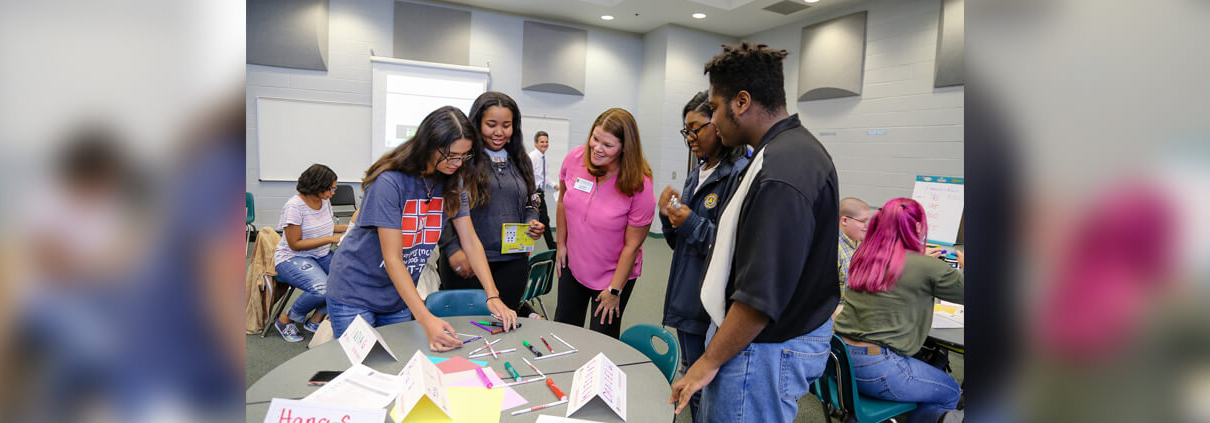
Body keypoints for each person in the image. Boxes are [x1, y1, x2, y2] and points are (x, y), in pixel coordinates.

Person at [669, 42, 840, 422]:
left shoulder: (783, 168)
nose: (711, 121)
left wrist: (708, 360)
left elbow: (761, 294)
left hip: (763, 348)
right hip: (753, 343)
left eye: (714, 108)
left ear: (741, 102)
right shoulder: (777, 151)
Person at [325, 106, 518, 351]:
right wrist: (426, 319)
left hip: (398, 295)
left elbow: (470, 240)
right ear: (428, 146)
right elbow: (393, 258)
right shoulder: (390, 182)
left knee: (401, 362)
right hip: (354, 291)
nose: (457, 163)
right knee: (363, 369)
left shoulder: (452, 182)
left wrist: (492, 294)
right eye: (451, 155)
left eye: (464, 156)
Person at [656, 91, 749, 423]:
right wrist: (668, 217)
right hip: (685, 294)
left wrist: (690, 221)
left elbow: (732, 249)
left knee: (704, 389)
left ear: (718, 123)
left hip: (709, 304)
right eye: (686, 131)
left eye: (696, 128)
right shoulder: (699, 170)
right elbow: (680, 244)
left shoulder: (738, 172)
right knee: (690, 380)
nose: (690, 138)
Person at [834, 198, 965, 423]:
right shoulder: (928, 268)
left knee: (930, 373)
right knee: (951, 390)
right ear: (916, 228)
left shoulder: (863, 256)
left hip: (842, 360)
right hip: (880, 368)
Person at [437, 92, 544, 315]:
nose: (499, 132)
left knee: (506, 325)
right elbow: (441, 206)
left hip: (513, 263)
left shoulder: (520, 158)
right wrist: (452, 248)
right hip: (468, 263)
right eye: (491, 124)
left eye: (506, 125)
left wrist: (532, 220)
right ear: (477, 123)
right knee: (467, 330)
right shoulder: (461, 158)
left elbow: (531, 199)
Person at [553, 108, 655, 339]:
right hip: (574, 265)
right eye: (595, 139)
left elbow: (632, 245)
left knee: (601, 340)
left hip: (612, 276)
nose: (597, 148)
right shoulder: (576, 158)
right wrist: (561, 244)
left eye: (608, 145)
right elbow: (562, 202)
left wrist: (615, 290)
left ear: (625, 148)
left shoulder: (639, 184)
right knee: (564, 331)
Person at [271, 164, 348, 342]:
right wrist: (331, 239)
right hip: (292, 258)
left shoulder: (324, 201)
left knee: (350, 280)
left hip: (320, 254)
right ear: (317, 186)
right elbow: (295, 244)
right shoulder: (294, 207)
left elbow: (326, 226)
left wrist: (350, 227)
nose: (333, 192)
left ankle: (315, 320)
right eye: (331, 188)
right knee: (322, 289)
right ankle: (285, 320)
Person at [837, 197, 872, 310]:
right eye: (862, 221)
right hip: (837, 311)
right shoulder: (834, 249)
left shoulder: (861, 243)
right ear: (845, 221)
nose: (867, 226)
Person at [528, 130, 558, 249]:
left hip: (541, 193)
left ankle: (551, 245)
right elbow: (527, 177)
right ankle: (551, 245)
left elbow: (544, 177)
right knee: (536, 219)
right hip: (533, 194)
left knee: (544, 220)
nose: (544, 144)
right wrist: (532, 194)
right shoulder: (532, 157)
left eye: (546, 141)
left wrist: (555, 185)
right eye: (542, 142)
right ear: (535, 143)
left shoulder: (544, 158)